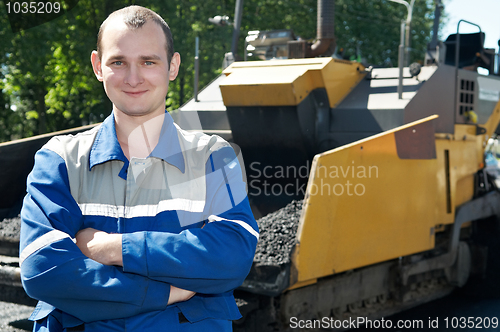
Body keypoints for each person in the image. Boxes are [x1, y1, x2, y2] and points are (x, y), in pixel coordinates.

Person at [19, 5, 258, 332]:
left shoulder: (211, 158)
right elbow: (43, 269)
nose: (133, 78)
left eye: (148, 61)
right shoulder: (61, 160)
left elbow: (231, 258)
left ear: (172, 66)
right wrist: (165, 292)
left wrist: (111, 248)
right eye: (118, 62)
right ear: (97, 66)